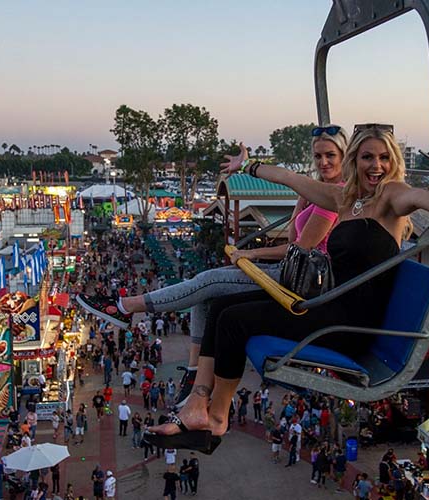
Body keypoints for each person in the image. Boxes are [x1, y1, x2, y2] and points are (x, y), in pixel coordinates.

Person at [148, 125, 429, 452]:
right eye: (368, 157)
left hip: (350, 325)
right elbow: (290, 178)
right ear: (355, 161)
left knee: (234, 320)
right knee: (219, 305)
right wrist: (247, 166)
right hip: (327, 307)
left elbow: (423, 198)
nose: (376, 165)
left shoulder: (392, 196)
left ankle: (216, 417)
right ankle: (199, 401)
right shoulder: (343, 199)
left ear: (393, 162)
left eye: (384, 158)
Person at [78, 125, 352, 408]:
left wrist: (252, 252)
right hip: (293, 269)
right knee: (204, 291)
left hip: (302, 283)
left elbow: (299, 250)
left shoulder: (333, 198)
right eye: (318, 156)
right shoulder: (317, 195)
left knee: (209, 280)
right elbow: (295, 241)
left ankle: (126, 306)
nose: (324, 163)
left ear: (345, 157)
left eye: (330, 155)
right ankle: (194, 371)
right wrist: (299, 203)